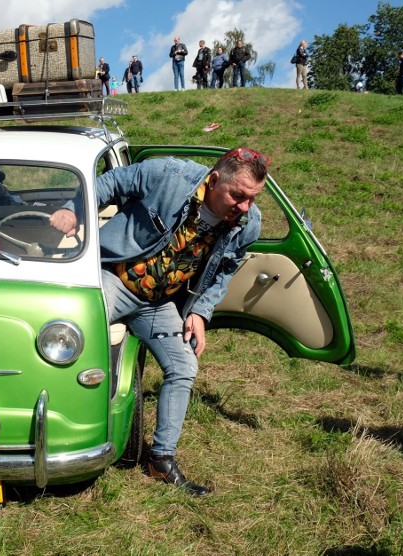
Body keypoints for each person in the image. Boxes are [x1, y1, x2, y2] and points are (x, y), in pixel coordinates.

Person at [49, 148, 269, 496]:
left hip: (156, 302)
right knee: (66, 339)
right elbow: (110, 183)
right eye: (238, 196)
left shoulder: (248, 222)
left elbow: (226, 269)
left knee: (184, 364)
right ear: (214, 181)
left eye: (253, 198)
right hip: (114, 279)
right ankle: (57, 430)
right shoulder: (170, 174)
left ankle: (161, 460)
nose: (244, 207)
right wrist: (72, 209)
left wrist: (200, 311)